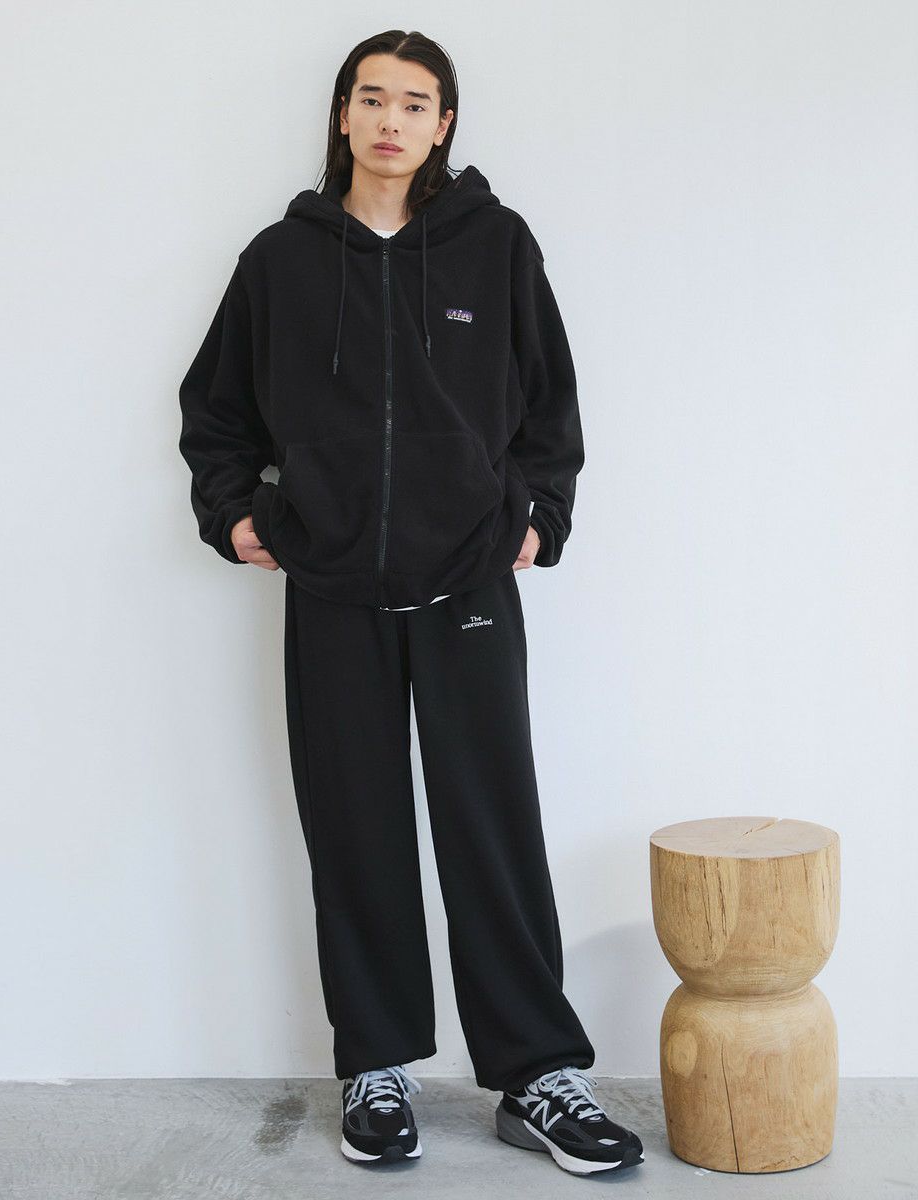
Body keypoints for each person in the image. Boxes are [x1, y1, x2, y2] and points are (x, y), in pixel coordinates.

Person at [178, 29, 644, 1177]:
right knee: (355, 830)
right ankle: (376, 1065)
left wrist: (537, 515)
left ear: (444, 124)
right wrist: (232, 512)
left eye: (416, 102)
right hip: (331, 585)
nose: (392, 120)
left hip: (468, 580)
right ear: (343, 114)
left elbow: (549, 408)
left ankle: (536, 1074)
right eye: (373, 98)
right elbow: (216, 410)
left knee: (492, 827)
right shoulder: (279, 261)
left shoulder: (494, 246)